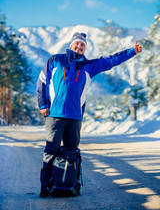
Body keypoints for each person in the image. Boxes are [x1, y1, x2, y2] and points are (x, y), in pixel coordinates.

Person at [37, 32, 142, 197]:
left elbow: (111, 60)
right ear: (71, 45)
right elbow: (42, 81)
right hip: (55, 115)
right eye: (77, 44)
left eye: (82, 45)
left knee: (71, 152)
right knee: (51, 151)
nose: (79, 47)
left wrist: (132, 52)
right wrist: (43, 104)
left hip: (74, 117)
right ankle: (45, 187)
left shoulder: (89, 66)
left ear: (85, 48)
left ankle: (67, 186)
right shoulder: (55, 60)